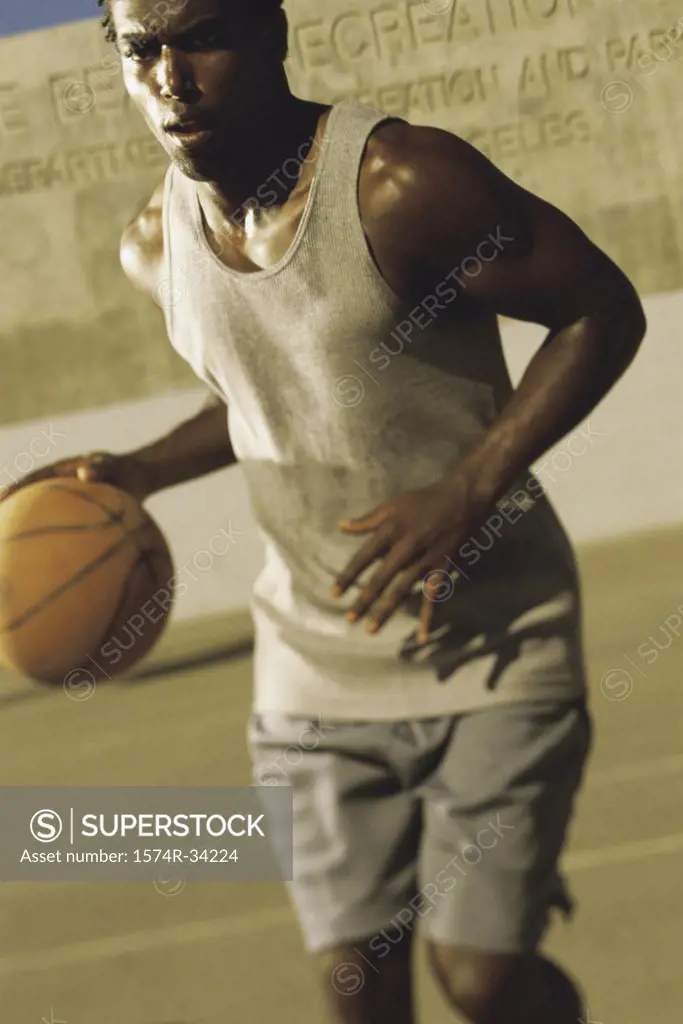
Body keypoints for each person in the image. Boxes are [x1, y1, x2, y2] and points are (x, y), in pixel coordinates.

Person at [3, 1, 647, 1021]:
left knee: (478, 978)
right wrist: (140, 468)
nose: (170, 76)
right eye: (141, 48)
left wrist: (472, 484)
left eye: (200, 34)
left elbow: (598, 309)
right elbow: (283, 385)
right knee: (357, 987)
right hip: (312, 669)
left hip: (492, 641)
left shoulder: (401, 185)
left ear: (268, 31)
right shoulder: (151, 247)